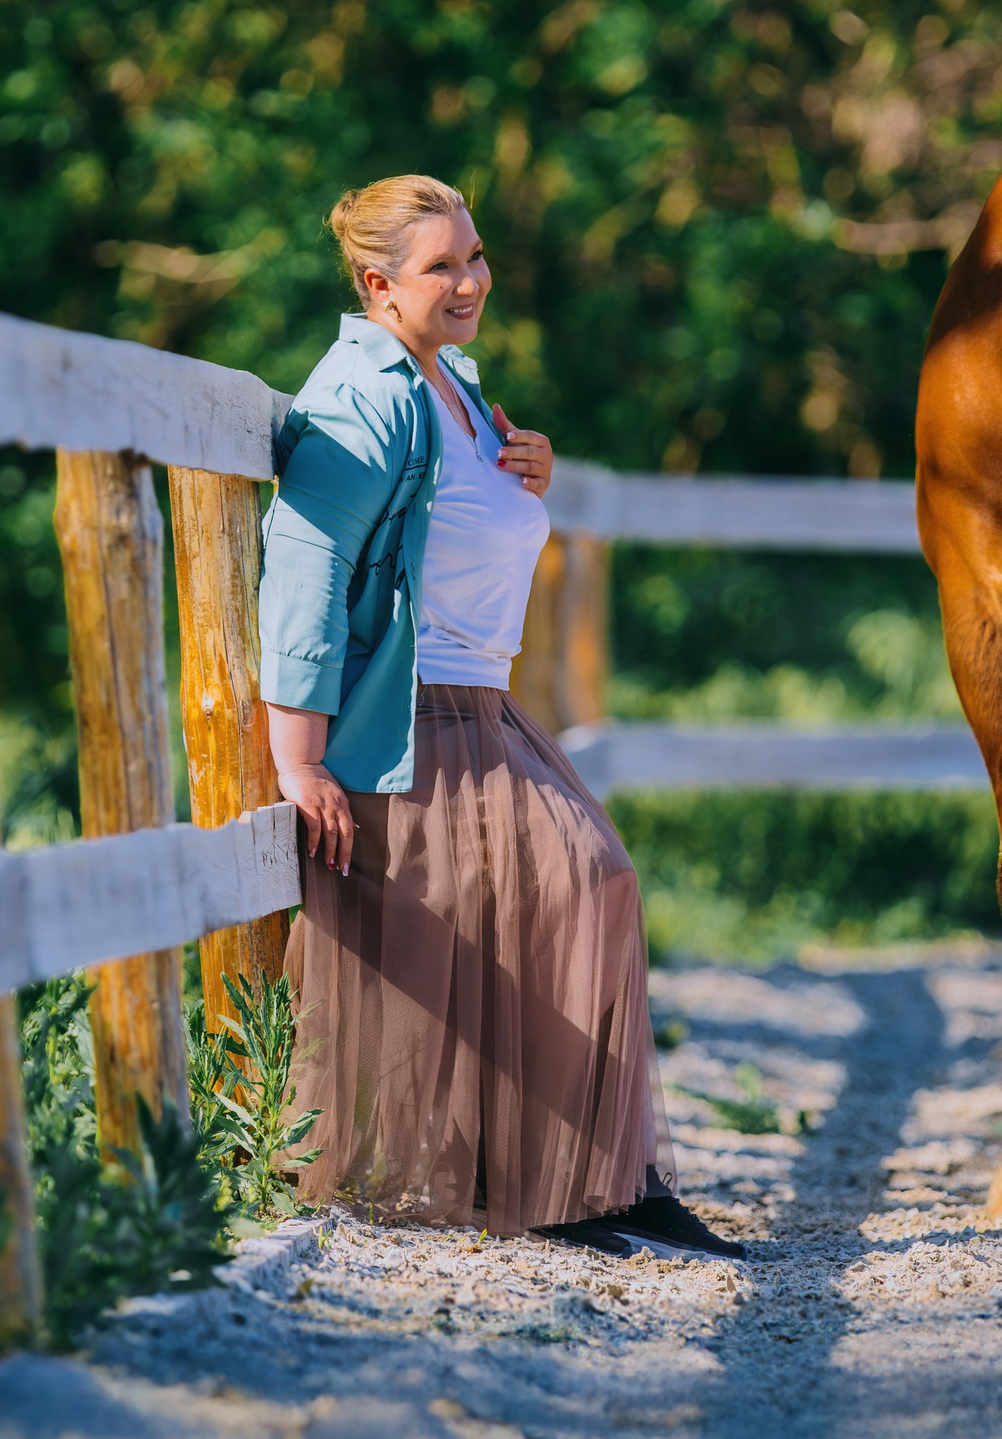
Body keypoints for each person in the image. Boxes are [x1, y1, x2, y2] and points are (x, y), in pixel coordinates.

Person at [258, 173, 744, 1261]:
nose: (472, 279)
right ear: (378, 284)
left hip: (484, 699)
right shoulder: (363, 394)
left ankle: (597, 1177)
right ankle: (558, 1182)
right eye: (443, 265)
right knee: (579, 881)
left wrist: (527, 465)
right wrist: (299, 757)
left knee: (584, 888)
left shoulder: (455, 382)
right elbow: (305, 563)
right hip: (410, 713)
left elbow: (461, 515)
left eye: (475, 255)